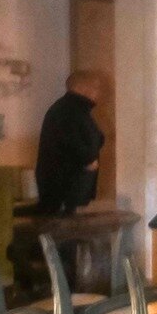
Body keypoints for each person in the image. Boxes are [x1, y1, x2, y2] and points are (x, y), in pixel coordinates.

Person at [34, 71, 105, 215]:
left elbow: (95, 138)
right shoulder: (67, 111)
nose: (99, 92)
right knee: (66, 231)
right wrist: (88, 160)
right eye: (95, 87)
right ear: (80, 88)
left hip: (70, 186)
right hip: (64, 188)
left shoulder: (76, 110)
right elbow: (71, 142)